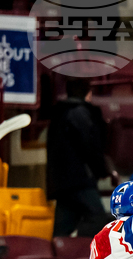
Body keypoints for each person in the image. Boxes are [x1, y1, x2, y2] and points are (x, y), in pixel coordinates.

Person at [47, 78, 111, 238]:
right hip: (80, 179)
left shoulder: (59, 113)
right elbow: (90, 146)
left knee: (62, 229)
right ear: (88, 94)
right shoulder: (81, 113)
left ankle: (60, 252)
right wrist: (102, 170)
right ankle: (81, 247)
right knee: (98, 218)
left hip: (61, 182)